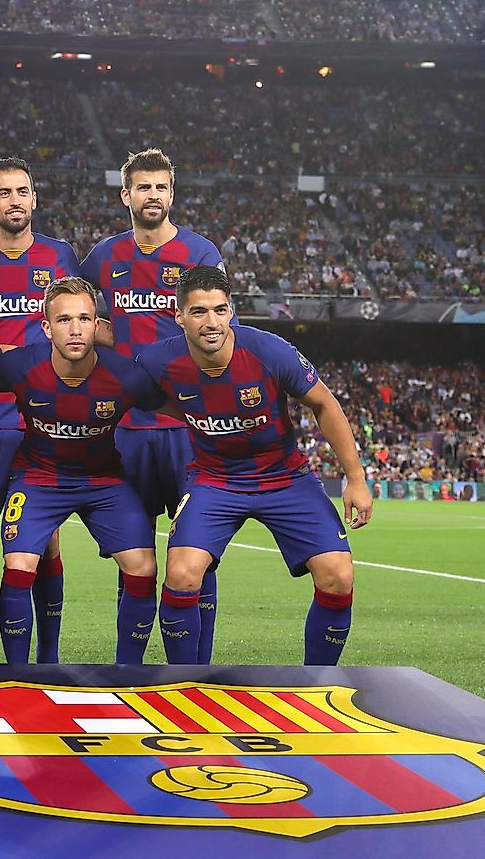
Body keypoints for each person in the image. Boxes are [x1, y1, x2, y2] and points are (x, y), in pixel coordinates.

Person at [135, 265, 372, 666]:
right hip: (214, 480)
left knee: (338, 575)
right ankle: (182, 680)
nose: (211, 322)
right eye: (198, 312)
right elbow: (143, 399)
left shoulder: (268, 351)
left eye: (219, 310)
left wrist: (356, 477)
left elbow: (324, 403)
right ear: (179, 317)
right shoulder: (158, 362)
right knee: (181, 574)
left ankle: (316, 680)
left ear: (231, 311)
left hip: (286, 478)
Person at [79, 147, 228, 665]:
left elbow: (219, 328)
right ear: (126, 195)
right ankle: (129, 671)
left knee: (197, 560)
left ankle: (196, 672)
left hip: (191, 431)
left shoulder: (201, 252)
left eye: (161, 187)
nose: (153, 196)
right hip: (126, 431)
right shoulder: (104, 257)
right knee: (135, 560)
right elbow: (69, 303)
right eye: (143, 187)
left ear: (172, 193)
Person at [0, 277, 162, 663]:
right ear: (46, 327)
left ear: (98, 325)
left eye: (85, 319)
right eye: (64, 320)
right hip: (38, 476)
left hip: (104, 481)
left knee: (144, 566)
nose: (76, 329)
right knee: (18, 565)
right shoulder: (18, 366)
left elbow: (181, 408)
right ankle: (22, 673)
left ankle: (127, 671)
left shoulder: (126, 376)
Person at [0, 157, 81, 663]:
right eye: (5, 193)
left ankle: (44, 664)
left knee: (44, 542)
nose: (15, 200)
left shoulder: (61, 256)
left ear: (34, 198)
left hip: (42, 421)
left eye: (23, 191)